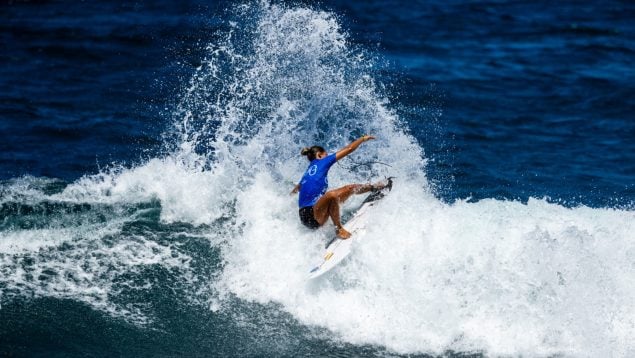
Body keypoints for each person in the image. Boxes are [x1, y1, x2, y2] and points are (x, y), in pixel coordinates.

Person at [291, 134, 388, 239]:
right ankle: (339, 229)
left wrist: (291, 194)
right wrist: (363, 139)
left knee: (350, 188)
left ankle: (374, 187)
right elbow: (349, 148)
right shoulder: (322, 161)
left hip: (313, 210)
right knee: (332, 195)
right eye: (326, 155)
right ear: (319, 155)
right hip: (310, 217)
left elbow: (298, 188)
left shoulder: (308, 172)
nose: (327, 157)